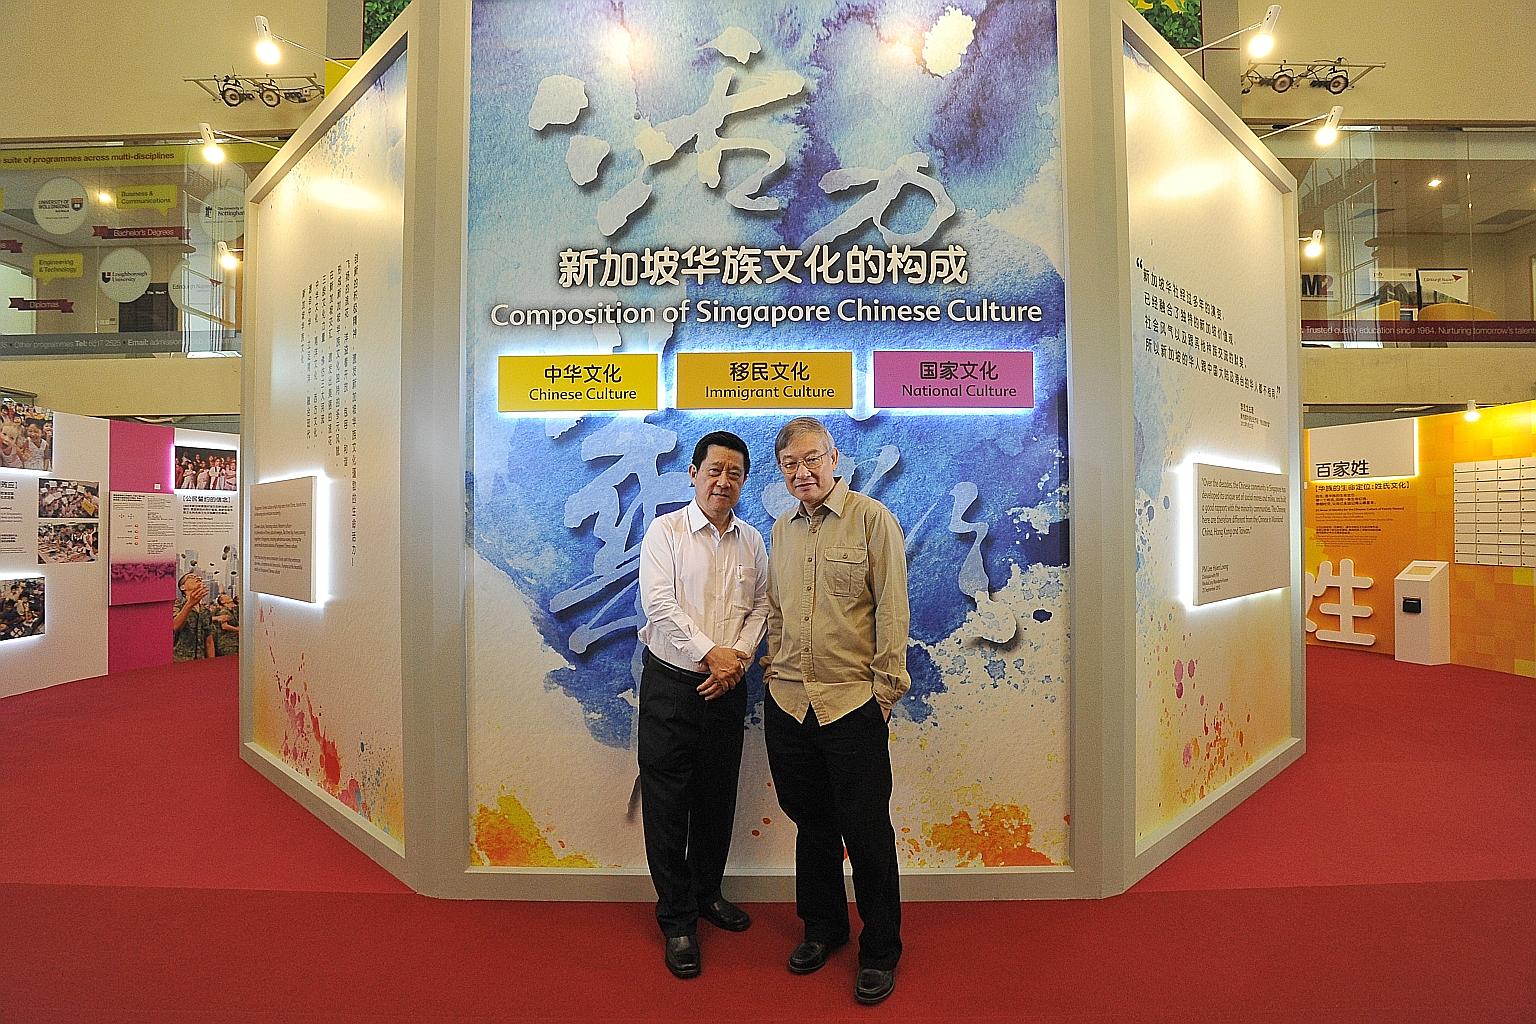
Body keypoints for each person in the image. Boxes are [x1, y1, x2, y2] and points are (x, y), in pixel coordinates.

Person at [762, 416, 911, 1007]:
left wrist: (884, 694)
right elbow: (777, 609)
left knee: (867, 830)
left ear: (834, 459)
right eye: (790, 465)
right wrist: (775, 669)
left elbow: (892, 610)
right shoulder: (781, 529)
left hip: (852, 703)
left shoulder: (872, 519)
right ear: (782, 472)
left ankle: (880, 949)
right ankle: (823, 927)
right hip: (789, 701)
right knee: (812, 823)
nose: (802, 472)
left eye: (811, 460)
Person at [636, 430, 770, 980]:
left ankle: (708, 893)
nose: (723, 481)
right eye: (714, 470)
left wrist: (737, 659)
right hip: (671, 687)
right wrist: (710, 653)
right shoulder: (664, 532)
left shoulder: (752, 541)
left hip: (728, 687)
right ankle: (677, 918)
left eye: (734, 473)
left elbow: (762, 607)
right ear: (693, 474)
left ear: (744, 481)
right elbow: (659, 603)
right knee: (668, 803)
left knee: (717, 797)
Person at [172, 572, 213, 661]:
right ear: (182, 587)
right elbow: (174, 626)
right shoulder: (176, 606)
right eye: (191, 577)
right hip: (180, 660)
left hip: (200, 660)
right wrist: (189, 604)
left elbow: (209, 640)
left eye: (199, 577)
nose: (197, 578)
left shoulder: (205, 611)